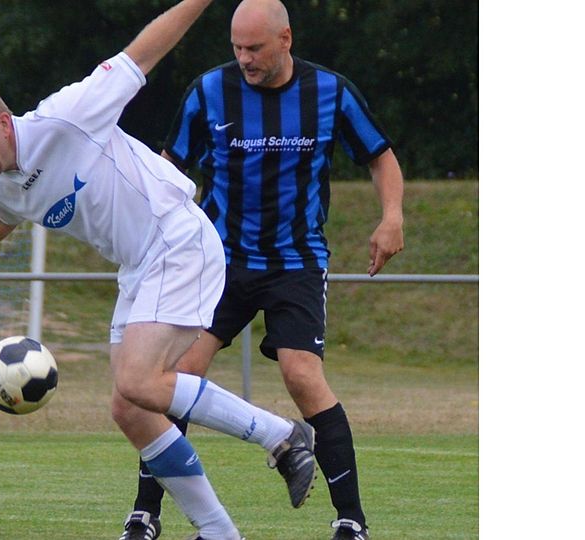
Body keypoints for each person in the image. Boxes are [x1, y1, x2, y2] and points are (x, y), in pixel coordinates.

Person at [0, 1, 322, 539]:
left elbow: (143, 54)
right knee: (130, 407)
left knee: (139, 380)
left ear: (3, 122)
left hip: (176, 237)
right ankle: (219, 532)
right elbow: (1, 216)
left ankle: (281, 436)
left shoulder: (68, 114)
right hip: (139, 265)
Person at [117, 1, 404, 540]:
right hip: (216, 261)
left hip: (297, 261)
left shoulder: (330, 92)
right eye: (237, 48)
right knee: (175, 375)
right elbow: (167, 169)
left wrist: (392, 217)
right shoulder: (209, 92)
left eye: (254, 48)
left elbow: (379, 155)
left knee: (302, 375)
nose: (244, 58)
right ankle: (145, 513)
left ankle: (351, 520)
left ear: (285, 39)